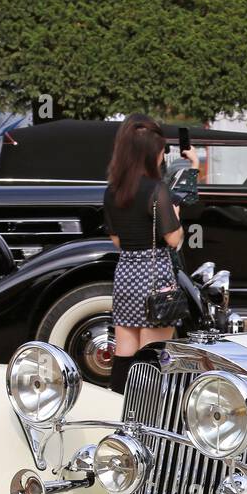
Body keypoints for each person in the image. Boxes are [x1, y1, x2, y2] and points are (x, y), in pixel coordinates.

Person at [103, 113, 199, 393]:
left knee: (125, 353)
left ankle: (118, 411)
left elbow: (118, 242)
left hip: (126, 277)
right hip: (154, 278)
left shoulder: (112, 192)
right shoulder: (156, 190)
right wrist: (176, 217)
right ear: (149, 154)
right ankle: (147, 423)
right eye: (160, 152)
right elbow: (173, 239)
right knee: (152, 357)